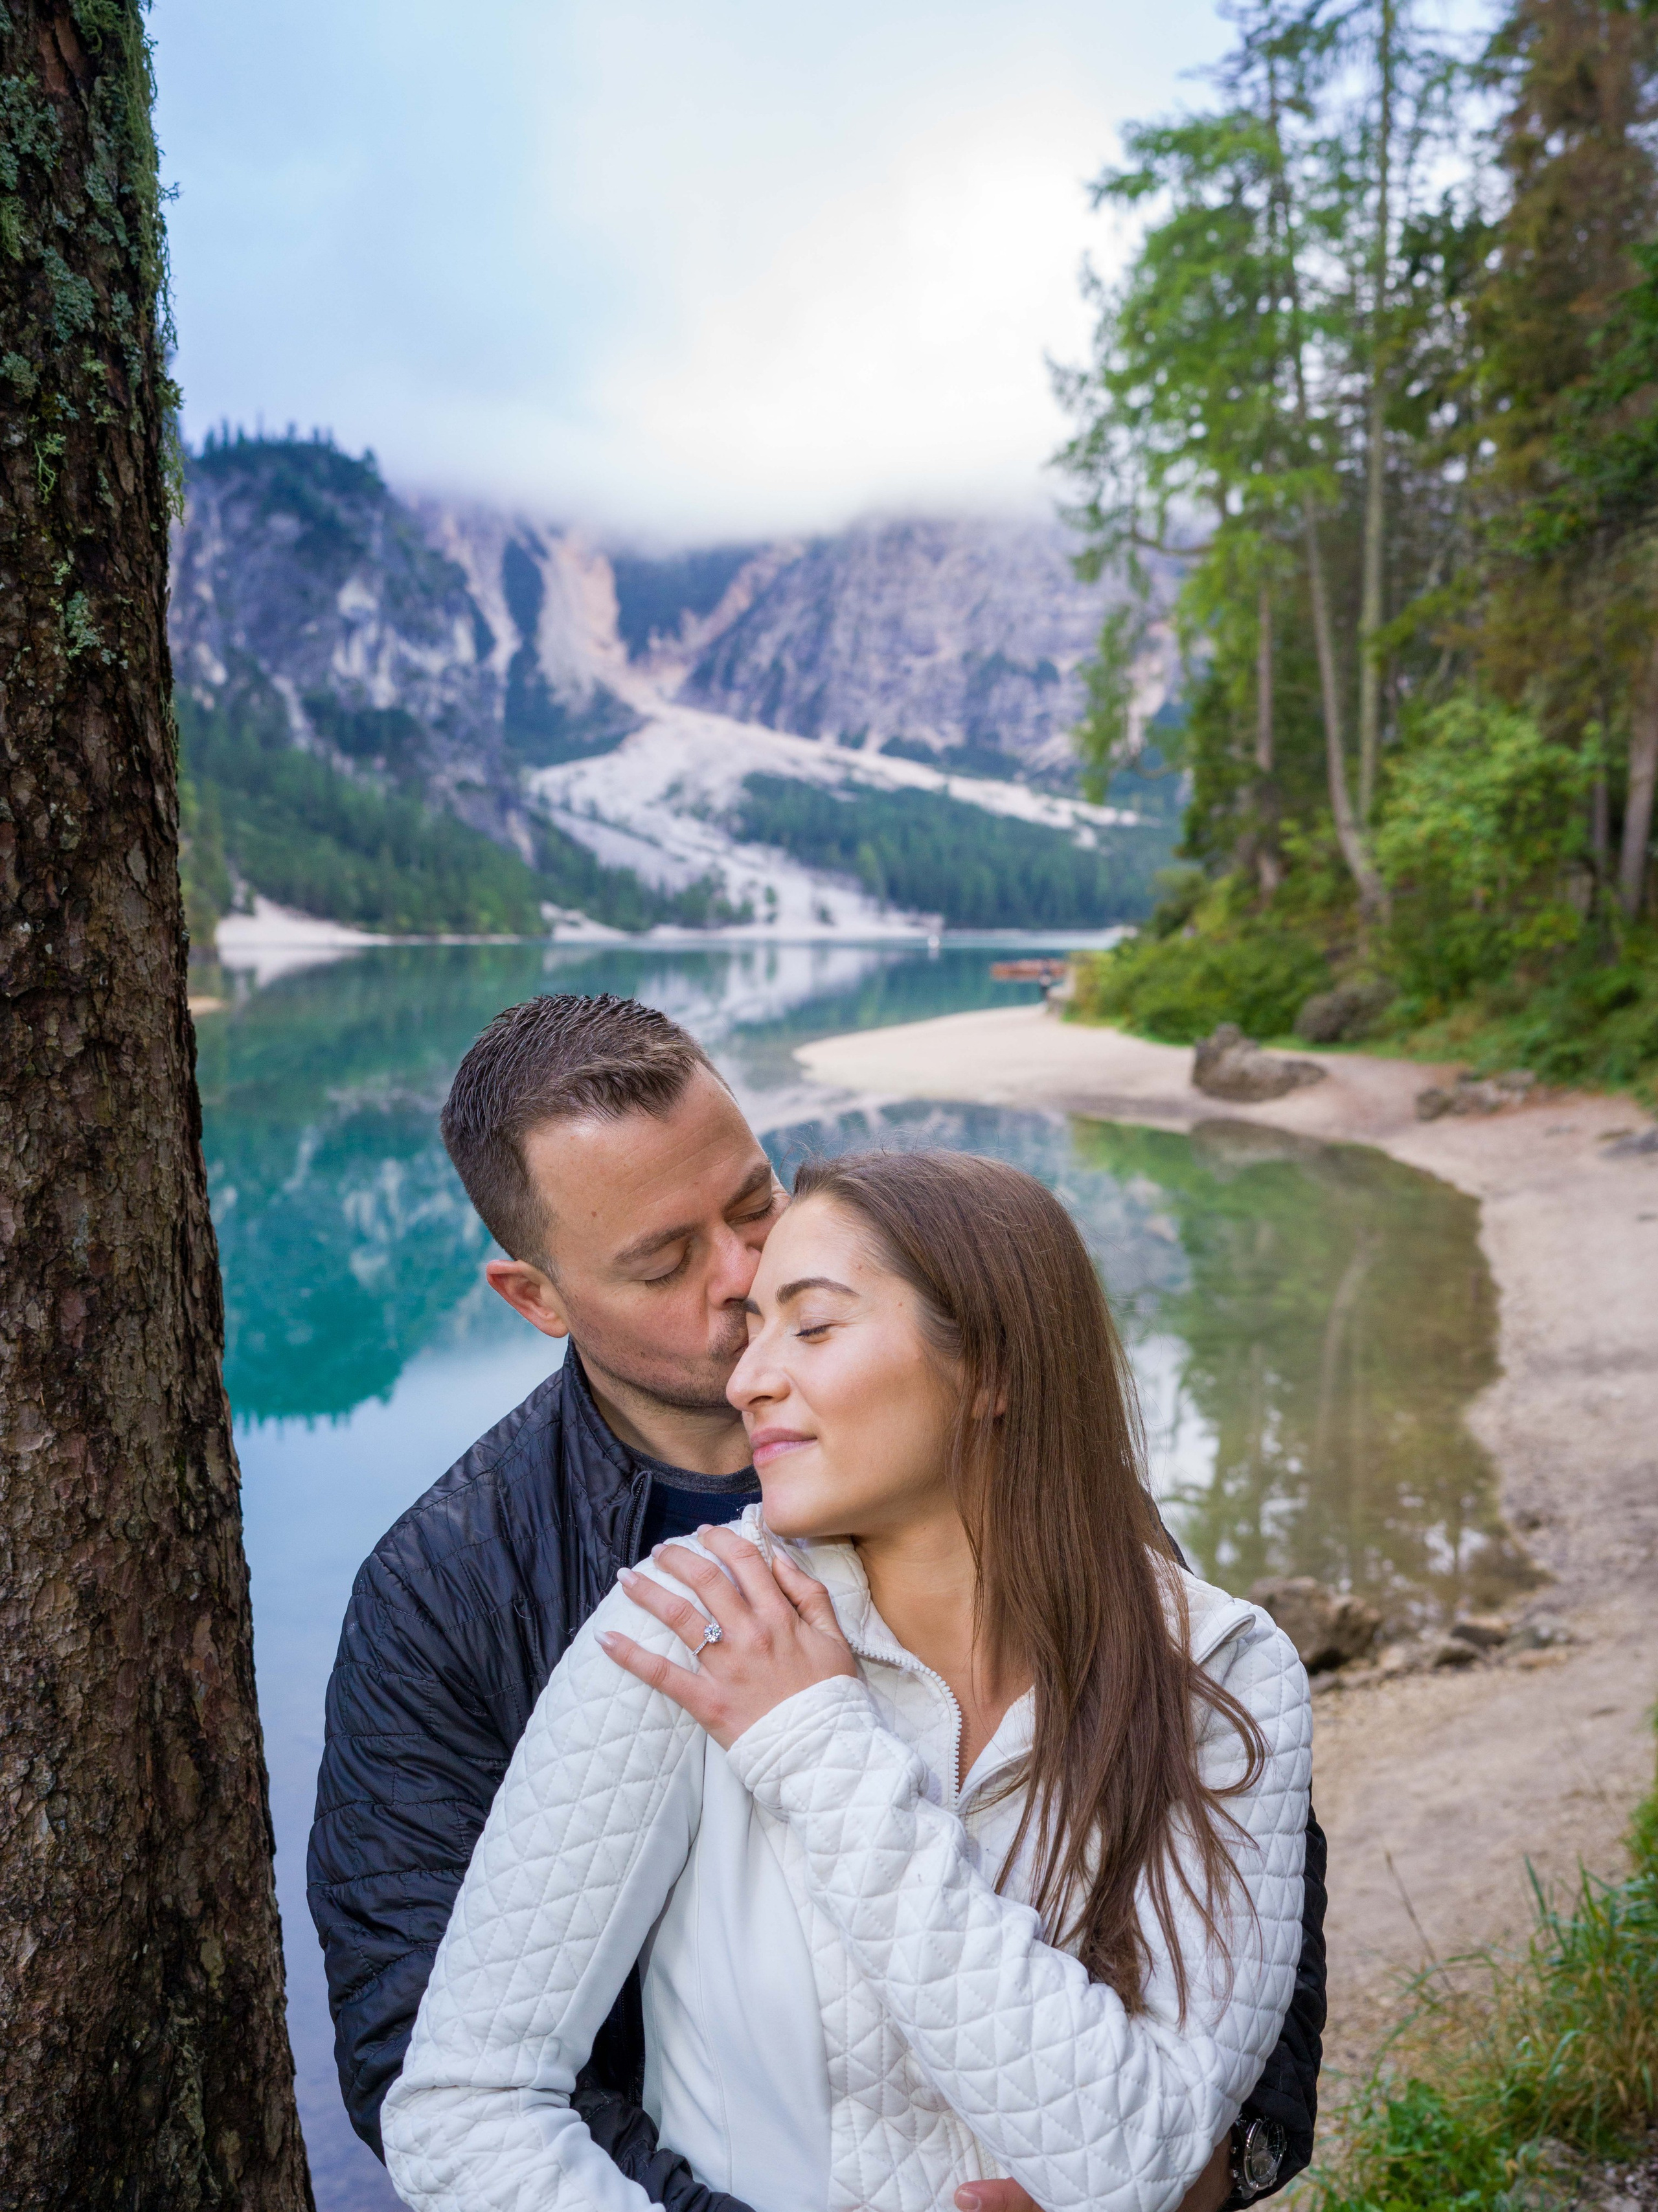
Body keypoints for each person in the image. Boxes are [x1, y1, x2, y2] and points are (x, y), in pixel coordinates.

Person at [308, 995, 1326, 2212]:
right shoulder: (455, 1592)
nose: (742, 1289)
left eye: (754, 1206)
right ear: (539, 1298)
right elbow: (427, 2058)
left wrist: (1206, 2168)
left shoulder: (1061, 1513)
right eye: (667, 1260)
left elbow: (1245, 1897)